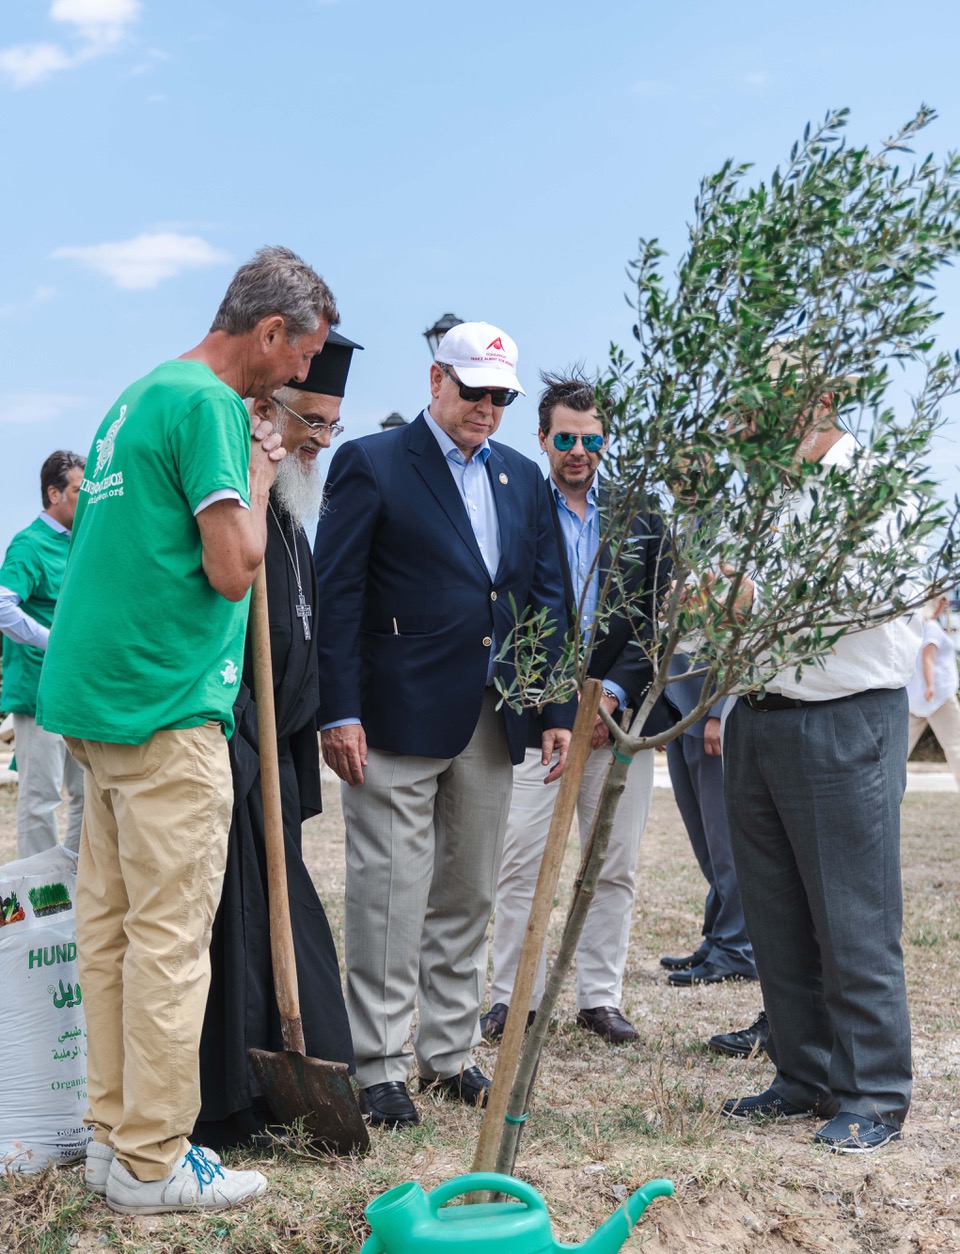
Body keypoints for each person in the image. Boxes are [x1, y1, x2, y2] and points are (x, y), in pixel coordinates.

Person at [36, 246, 335, 1213]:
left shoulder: (138, 396)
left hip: (98, 707)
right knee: (169, 940)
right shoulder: (212, 408)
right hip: (165, 710)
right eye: (301, 357)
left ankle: (110, 1138)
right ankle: (157, 1162)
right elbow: (233, 565)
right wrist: (255, 463)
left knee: (113, 934)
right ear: (269, 332)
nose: (301, 378)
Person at [313, 322, 574, 1128]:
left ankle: (448, 1052)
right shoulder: (374, 464)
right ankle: (379, 1064)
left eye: (501, 397)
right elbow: (338, 596)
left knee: (466, 894)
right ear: (436, 381)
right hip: (390, 720)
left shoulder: (524, 481)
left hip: (492, 722)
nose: (487, 410)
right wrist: (340, 708)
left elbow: (546, 602)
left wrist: (555, 707)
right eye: (474, 393)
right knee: (389, 895)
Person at [720, 346, 920, 1154]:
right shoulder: (760, 488)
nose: (751, 407)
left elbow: (867, 590)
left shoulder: (872, 483)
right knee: (776, 913)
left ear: (822, 394)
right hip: (757, 717)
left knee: (854, 918)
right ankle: (802, 1077)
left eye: (769, 389)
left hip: (845, 718)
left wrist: (753, 594)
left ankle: (874, 1092)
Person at [195, 332, 362, 1149]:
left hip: (280, 754)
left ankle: (305, 1073)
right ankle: (229, 1103)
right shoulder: (248, 489)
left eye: (333, 424)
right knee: (236, 928)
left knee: (284, 917)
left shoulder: (294, 504)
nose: (321, 440)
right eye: (312, 421)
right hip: (232, 745)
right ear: (269, 407)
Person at [482, 371, 672, 1047]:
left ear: (605, 440)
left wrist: (613, 695)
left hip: (619, 718)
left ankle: (599, 997)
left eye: (590, 439)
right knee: (523, 860)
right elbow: (507, 616)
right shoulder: (518, 510)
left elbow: (656, 621)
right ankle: (511, 997)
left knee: (610, 860)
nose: (578, 451)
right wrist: (558, 703)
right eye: (565, 437)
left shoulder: (643, 516)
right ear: (542, 438)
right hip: (539, 717)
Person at [0, 451, 86, 858]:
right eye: (76, 490)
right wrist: (54, 641)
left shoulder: (79, 544)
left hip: (77, 694)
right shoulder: (29, 545)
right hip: (37, 695)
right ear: (53, 493)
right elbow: (2, 606)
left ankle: (70, 893)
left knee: (89, 795)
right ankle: (38, 910)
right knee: (41, 801)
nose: (85, 498)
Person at [659, 657, 757, 986]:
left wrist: (720, 710)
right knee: (706, 845)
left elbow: (741, 635)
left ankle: (736, 948)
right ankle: (718, 937)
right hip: (679, 712)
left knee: (725, 843)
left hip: (712, 712)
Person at [905, 594, 960, 787]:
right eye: (942, 602)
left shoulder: (919, 628)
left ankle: (885, 788)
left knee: (900, 748)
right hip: (938, 695)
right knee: (956, 745)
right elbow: (927, 658)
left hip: (917, 697)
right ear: (936, 604)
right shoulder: (932, 628)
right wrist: (930, 686)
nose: (945, 605)